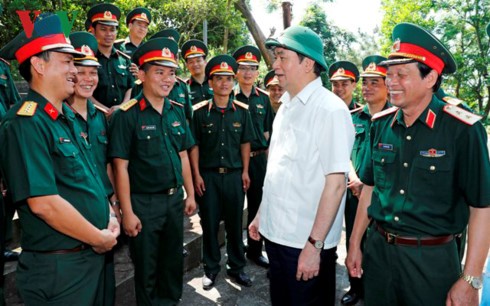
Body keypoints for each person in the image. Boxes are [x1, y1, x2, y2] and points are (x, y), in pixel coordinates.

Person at [345, 23, 490, 306]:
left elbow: (481, 207)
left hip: (431, 263)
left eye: (402, 74)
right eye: (389, 74)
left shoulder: (463, 129)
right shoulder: (381, 124)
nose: (391, 82)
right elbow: (370, 189)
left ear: (430, 78)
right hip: (379, 254)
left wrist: (471, 279)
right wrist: (354, 244)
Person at [0, 14, 119, 305]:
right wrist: (98, 237)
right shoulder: (25, 123)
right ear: (39, 65)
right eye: (66, 62)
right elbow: (43, 204)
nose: (75, 72)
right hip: (61, 270)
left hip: (92, 258)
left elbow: (90, 177)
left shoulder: (67, 118)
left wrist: (110, 215)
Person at [249, 25, 355, 306]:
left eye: (282, 57)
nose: (275, 65)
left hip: (305, 245)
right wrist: (262, 213)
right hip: (278, 238)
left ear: (308, 63)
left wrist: (314, 246)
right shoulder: (286, 106)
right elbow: (278, 172)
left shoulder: (330, 110)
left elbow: (335, 185)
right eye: (276, 57)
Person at [109, 37, 196, 305]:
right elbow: (120, 167)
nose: (167, 79)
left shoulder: (176, 111)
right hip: (143, 203)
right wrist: (127, 212)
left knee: (171, 266)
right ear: (142, 75)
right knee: (146, 269)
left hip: (173, 201)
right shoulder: (127, 115)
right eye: (159, 72)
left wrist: (190, 193)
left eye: (171, 73)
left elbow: (183, 155)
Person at [190, 55, 256, 290]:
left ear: (234, 81)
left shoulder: (242, 111)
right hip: (207, 177)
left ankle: (237, 268)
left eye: (229, 78)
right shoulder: (198, 112)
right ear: (210, 83)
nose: (224, 83)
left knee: (235, 224)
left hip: (234, 176)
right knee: (208, 225)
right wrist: (196, 175)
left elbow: (245, 143)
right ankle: (210, 269)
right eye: (219, 78)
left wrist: (246, 171)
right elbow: (194, 145)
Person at [66, 31, 118, 306]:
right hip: (74, 221)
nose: (88, 79)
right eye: (81, 72)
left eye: (93, 73)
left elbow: (108, 164)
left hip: (104, 213)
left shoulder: (101, 118)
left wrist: (115, 203)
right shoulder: (58, 119)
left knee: (106, 289)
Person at [341, 55, 390, 306]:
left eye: (375, 82)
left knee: (376, 245)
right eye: (365, 82)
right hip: (354, 192)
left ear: (387, 86)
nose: (367, 87)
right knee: (355, 239)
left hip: (380, 197)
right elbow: (345, 153)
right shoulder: (355, 117)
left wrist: (367, 185)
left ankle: (373, 288)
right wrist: (355, 179)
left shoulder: (394, 118)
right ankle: (356, 287)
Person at [232, 45, 274, 269]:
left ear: (257, 72)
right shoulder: (228, 95)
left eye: (252, 68)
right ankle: (236, 252)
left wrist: (269, 164)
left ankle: (255, 250)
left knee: (258, 205)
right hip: (235, 160)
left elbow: (267, 133)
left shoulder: (264, 99)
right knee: (235, 207)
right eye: (243, 68)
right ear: (235, 71)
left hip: (258, 159)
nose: (248, 73)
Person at [87, 3, 134, 114]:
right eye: (103, 29)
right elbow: (83, 89)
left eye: (112, 30)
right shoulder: (88, 59)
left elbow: (130, 88)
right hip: (96, 115)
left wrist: (122, 107)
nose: (109, 34)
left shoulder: (125, 60)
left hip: (123, 116)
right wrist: (105, 110)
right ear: (93, 31)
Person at [181, 39, 213, 105]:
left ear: (205, 62)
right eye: (191, 62)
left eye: (198, 61)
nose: (195, 64)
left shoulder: (215, 82)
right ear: (187, 65)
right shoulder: (184, 88)